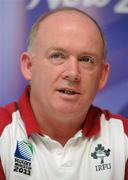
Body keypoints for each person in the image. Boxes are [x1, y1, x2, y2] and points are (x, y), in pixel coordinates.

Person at [0, 7, 128, 180]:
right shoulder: (3, 132)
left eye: (86, 60)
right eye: (57, 56)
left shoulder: (124, 137)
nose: (73, 73)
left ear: (102, 76)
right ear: (29, 66)